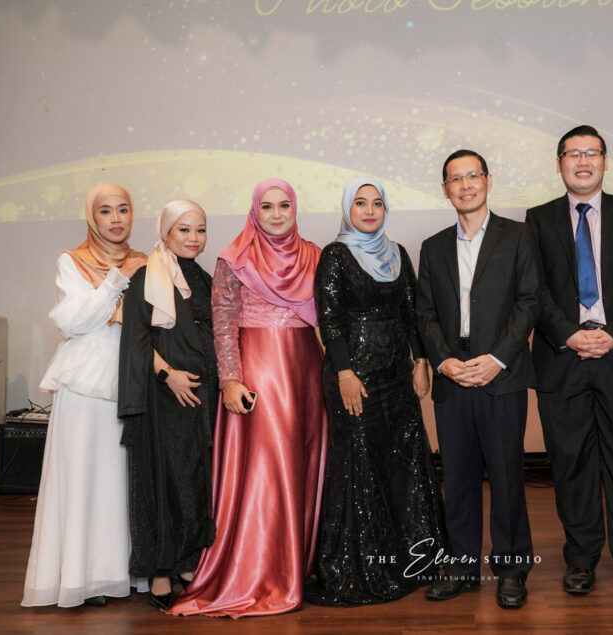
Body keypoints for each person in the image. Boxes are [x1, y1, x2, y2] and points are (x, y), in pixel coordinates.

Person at [167, 179, 326, 618]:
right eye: (267, 207)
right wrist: (231, 381)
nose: (277, 214)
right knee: (265, 472)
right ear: (255, 211)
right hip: (258, 374)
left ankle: (295, 566)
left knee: (300, 467)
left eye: (284, 205)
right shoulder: (233, 256)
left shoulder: (314, 255)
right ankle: (260, 573)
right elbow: (223, 324)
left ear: (295, 208)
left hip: (306, 373)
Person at [525, 125, 613, 600]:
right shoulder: (537, 219)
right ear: (559, 163)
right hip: (562, 355)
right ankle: (580, 560)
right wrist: (568, 333)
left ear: (604, 161)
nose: (582, 162)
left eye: (591, 153)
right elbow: (533, 288)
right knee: (570, 464)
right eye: (573, 154)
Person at [305, 178, 447, 606]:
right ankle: (363, 566)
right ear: (348, 209)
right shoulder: (334, 256)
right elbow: (329, 319)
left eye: (377, 203)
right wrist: (344, 373)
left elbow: (411, 313)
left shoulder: (398, 253)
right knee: (360, 463)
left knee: (404, 460)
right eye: (360, 203)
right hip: (355, 378)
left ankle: (412, 558)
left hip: (396, 376)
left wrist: (420, 362)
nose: (369, 211)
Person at [416, 150, 540, 609]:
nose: (465, 185)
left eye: (473, 176)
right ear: (444, 189)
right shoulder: (432, 247)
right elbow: (425, 312)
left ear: (488, 180)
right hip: (452, 374)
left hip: (500, 372)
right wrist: (443, 361)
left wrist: (498, 358)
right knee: (459, 476)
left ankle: (511, 570)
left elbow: (530, 302)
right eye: (456, 179)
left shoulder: (519, 235)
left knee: (506, 476)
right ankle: (462, 567)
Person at [22, 182, 148, 608]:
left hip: (131, 377)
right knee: (84, 476)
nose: (115, 219)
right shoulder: (72, 260)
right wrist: (114, 281)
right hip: (86, 380)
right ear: (91, 217)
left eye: (123, 209)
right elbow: (74, 322)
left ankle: (122, 572)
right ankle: (83, 577)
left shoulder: (146, 260)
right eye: (105, 211)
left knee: (121, 478)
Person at [118, 200, 217, 609]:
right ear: (166, 232)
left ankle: (188, 562)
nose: (194, 238)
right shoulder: (146, 276)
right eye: (184, 230)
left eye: (200, 230)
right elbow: (137, 338)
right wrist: (167, 375)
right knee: (164, 480)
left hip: (203, 395)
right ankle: (161, 570)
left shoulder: (205, 279)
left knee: (194, 479)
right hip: (165, 396)